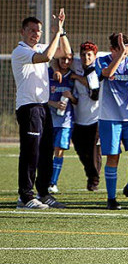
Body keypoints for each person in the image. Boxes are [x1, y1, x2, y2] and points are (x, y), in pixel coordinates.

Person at [12, 9, 70, 209]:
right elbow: (46, 57)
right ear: (23, 32)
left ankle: (43, 193)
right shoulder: (21, 51)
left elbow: (65, 53)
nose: (36, 34)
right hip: (29, 107)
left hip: (43, 107)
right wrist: (55, 35)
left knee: (46, 151)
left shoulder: (40, 46)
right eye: (32, 30)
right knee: (31, 152)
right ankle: (25, 196)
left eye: (38, 31)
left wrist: (61, 31)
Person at [95, 32, 128, 210]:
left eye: (127, 50)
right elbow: (108, 72)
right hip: (109, 118)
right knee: (113, 157)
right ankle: (111, 198)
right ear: (112, 49)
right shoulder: (102, 60)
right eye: (121, 49)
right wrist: (118, 57)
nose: (125, 53)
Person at [70, 41, 102, 192]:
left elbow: (94, 91)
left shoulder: (97, 69)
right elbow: (57, 59)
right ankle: (91, 175)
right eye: (83, 54)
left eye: (89, 55)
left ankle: (94, 180)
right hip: (78, 118)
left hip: (94, 118)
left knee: (94, 151)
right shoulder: (75, 64)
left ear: (94, 56)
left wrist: (76, 77)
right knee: (80, 150)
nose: (86, 57)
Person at [47, 53, 76, 194]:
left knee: (59, 150)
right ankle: (44, 180)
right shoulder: (49, 73)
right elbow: (40, 97)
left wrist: (71, 97)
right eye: (62, 58)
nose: (65, 61)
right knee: (47, 151)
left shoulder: (73, 76)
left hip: (66, 121)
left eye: (68, 59)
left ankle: (53, 183)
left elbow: (78, 100)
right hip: (49, 120)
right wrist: (54, 104)